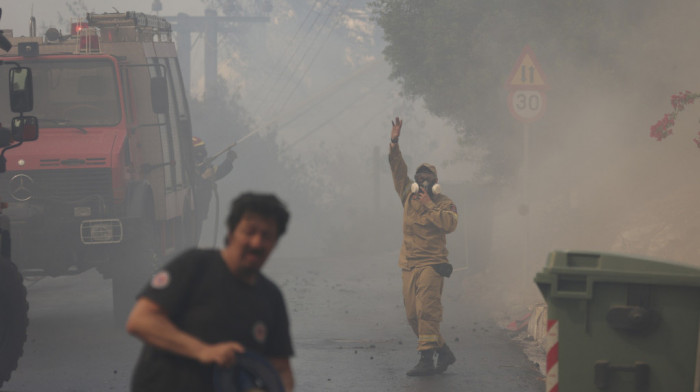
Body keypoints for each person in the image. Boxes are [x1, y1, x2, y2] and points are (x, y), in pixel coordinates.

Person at [126, 192, 295, 392]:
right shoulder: (195, 266)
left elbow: (281, 369)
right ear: (232, 232)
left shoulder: (271, 298)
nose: (257, 242)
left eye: (267, 236)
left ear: (275, 243)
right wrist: (203, 350)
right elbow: (140, 320)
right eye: (250, 231)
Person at [388, 117, 459, 376]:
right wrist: (394, 141)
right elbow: (397, 169)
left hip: (432, 263)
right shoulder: (408, 194)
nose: (422, 179)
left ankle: (426, 360)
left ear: (435, 181)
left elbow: (450, 224)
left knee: (427, 311)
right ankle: (445, 351)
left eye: (428, 176)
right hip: (409, 263)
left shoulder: (444, 202)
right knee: (412, 316)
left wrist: (430, 204)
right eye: (420, 176)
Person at [192, 136, 236, 242]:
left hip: (199, 213)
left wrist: (229, 161)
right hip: (189, 213)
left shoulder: (202, 166)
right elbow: (188, 186)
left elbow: (218, 172)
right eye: (199, 152)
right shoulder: (185, 169)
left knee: (193, 242)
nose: (201, 155)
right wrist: (203, 178)